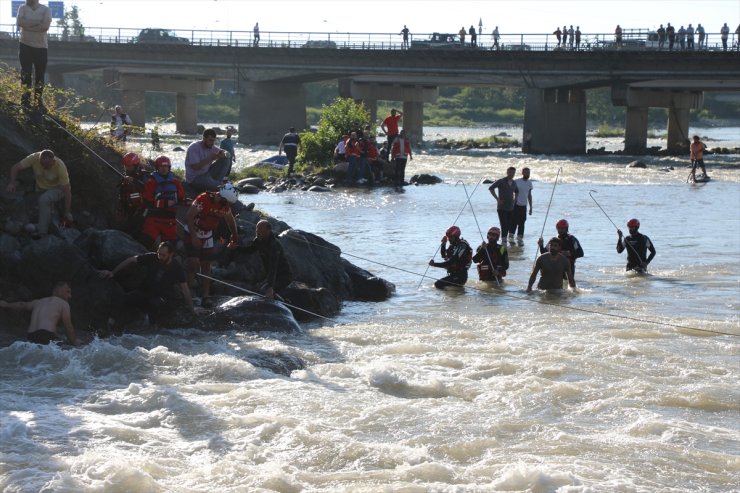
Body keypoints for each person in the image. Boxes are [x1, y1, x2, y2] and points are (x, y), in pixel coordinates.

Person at [100, 241, 196, 325]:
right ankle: (110, 324)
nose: (160, 257)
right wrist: (113, 272)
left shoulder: (176, 267)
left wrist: (192, 310)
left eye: (163, 255)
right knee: (123, 299)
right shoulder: (152, 257)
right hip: (143, 291)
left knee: (155, 306)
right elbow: (131, 260)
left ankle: (153, 331)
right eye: (159, 253)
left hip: (160, 297)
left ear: (171, 254)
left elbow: (185, 289)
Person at [185, 183, 240, 307]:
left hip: (207, 235)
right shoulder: (203, 199)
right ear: (222, 199)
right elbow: (189, 217)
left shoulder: (225, 206)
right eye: (228, 203)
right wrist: (194, 237)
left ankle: (205, 296)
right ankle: (187, 294)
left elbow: (230, 220)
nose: (229, 206)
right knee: (193, 263)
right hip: (192, 232)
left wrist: (234, 236)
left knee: (206, 265)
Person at [6, 150, 72, 236]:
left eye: (47, 165)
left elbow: (67, 192)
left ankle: (42, 233)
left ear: (53, 161)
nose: (44, 167)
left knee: (44, 200)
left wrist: (67, 212)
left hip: (58, 189)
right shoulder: (34, 157)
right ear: (39, 159)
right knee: (44, 206)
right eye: (42, 164)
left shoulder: (60, 166)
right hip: (41, 189)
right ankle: (49, 225)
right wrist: (12, 183)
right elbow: (15, 168)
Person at [0, 281, 79, 346]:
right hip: (46, 335)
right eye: (68, 292)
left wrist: (6, 304)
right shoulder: (63, 303)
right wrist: (74, 342)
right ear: (59, 290)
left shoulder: (38, 302)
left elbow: (22, 304)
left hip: (31, 336)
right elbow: (68, 326)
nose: (70, 296)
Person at [235, 219, 293, 300]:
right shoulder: (259, 240)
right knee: (261, 291)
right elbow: (250, 250)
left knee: (268, 292)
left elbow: (273, 267)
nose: (257, 231)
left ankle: (284, 305)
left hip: (283, 276)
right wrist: (235, 247)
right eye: (256, 229)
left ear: (268, 231)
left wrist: (270, 287)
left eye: (260, 229)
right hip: (272, 276)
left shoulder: (274, 245)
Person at [141, 155, 185, 249]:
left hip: (170, 220)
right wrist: (164, 203)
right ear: (157, 168)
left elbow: (181, 197)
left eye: (166, 166)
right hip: (154, 218)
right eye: (161, 166)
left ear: (169, 167)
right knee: (145, 242)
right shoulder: (151, 182)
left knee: (170, 247)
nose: (164, 169)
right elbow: (147, 201)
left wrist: (185, 201)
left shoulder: (176, 182)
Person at [16, 0, 52, 110]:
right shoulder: (22, 8)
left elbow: (45, 27)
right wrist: (37, 24)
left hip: (41, 47)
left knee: (40, 75)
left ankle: (38, 101)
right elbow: (19, 22)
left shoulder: (46, 10)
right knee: (26, 73)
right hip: (25, 44)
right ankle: (25, 101)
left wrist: (27, 25)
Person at [185, 128, 231, 193]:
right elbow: (195, 167)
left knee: (225, 160)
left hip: (206, 174)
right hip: (195, 178)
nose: (212, 143)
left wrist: (224, 154)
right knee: (220, 187)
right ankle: (216, 186)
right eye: (210, 140)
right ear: (204, 139)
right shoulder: (194, 147)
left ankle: (216, 184)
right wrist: (209, 158)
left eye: (213, 141)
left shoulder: (211, 146)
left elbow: (227, 153)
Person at [428, 225, 472, 290]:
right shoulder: (453, 246)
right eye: (448, 237)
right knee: (448, 290)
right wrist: (443, 244)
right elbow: (444, 255)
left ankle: (447, 298)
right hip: (453, 275)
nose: (449, 239)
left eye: (450, 237)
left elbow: (451, 262)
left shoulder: (462, 246)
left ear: (455, 236)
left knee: (438, 284)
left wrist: (434, 264)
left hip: (460, 276)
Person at [117, 152, 149, 237]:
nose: (126, 168)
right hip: (128, 210)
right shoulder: (125, 177)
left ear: (135, 165)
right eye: (125, 166)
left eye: (129, 166)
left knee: (133, 231)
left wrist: (134, 181)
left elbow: (148, 189)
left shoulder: (144, 175)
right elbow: (121, 194)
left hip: (141, 211)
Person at [489, 166, 518, 244]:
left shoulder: (514, 182)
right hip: (501, 207)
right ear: (507, 172)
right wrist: (497, 199)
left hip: (510, 207)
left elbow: (517, 191)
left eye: (513, 172)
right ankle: (503, 240)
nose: (512, 174)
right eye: (510, 172)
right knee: (503, 224)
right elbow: (491, 188)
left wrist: (515, 199)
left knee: (509, 224)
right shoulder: (501, 181)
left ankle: (505, 238)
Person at [512, 167, 533, 246]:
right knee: (514, 222)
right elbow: (511, 191)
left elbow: (529, 195)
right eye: (526, 172)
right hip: (516, 205)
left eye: (528, 172)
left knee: (522, 223)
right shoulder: (517, 181)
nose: (527, 174)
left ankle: (520, 239)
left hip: (524, 206)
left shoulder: (529, 183)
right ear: (522, 173)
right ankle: (511, 237)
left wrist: (531, 207)